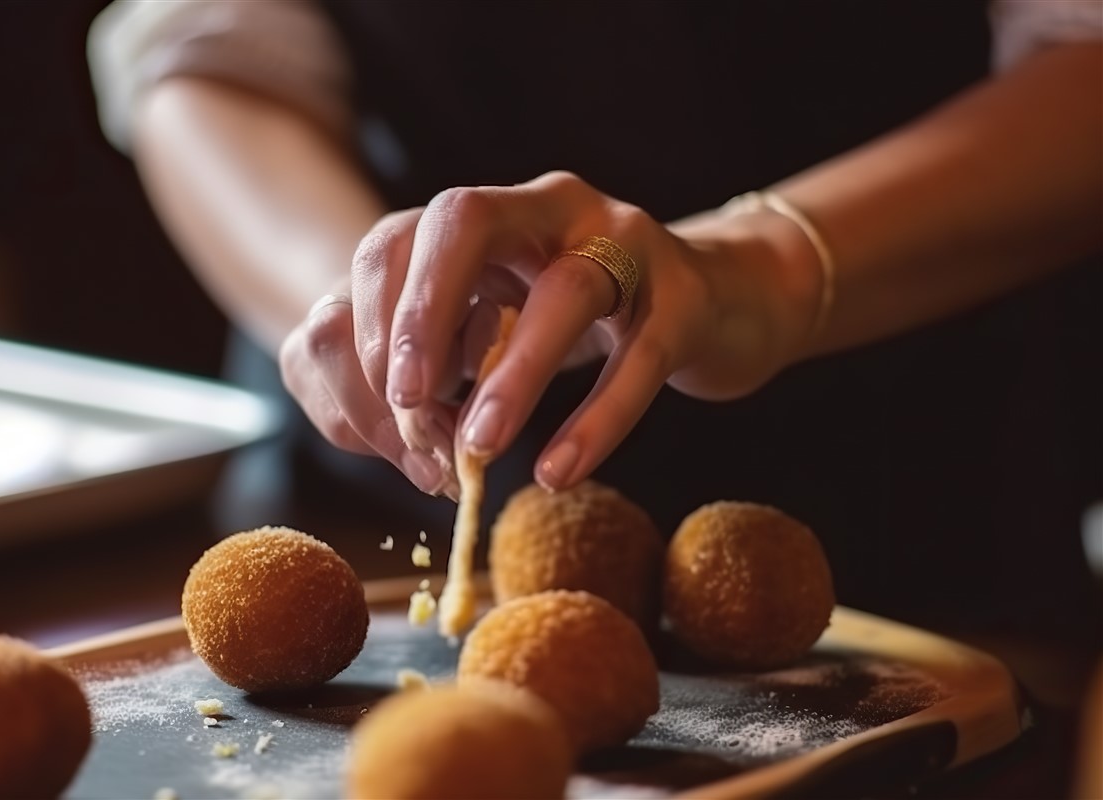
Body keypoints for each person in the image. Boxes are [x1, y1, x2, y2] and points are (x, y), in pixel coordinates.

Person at [88, 1, 1101, 636]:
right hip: (365, 537)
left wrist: (760, 268)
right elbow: (205, 46)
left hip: (920, 512)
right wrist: (369, 310)